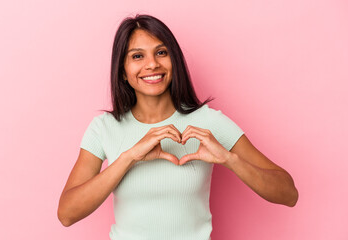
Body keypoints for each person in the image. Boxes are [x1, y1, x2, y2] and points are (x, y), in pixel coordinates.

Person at [57, 14, 298, 239]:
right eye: (137, 56)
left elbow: (288, 193)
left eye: (161, 52)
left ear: (175, 60)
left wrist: (229, 159)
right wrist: (130, 157)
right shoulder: (104, 128)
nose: (152, 64)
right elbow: (67, 214)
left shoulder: (209, 121)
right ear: (123, 71)